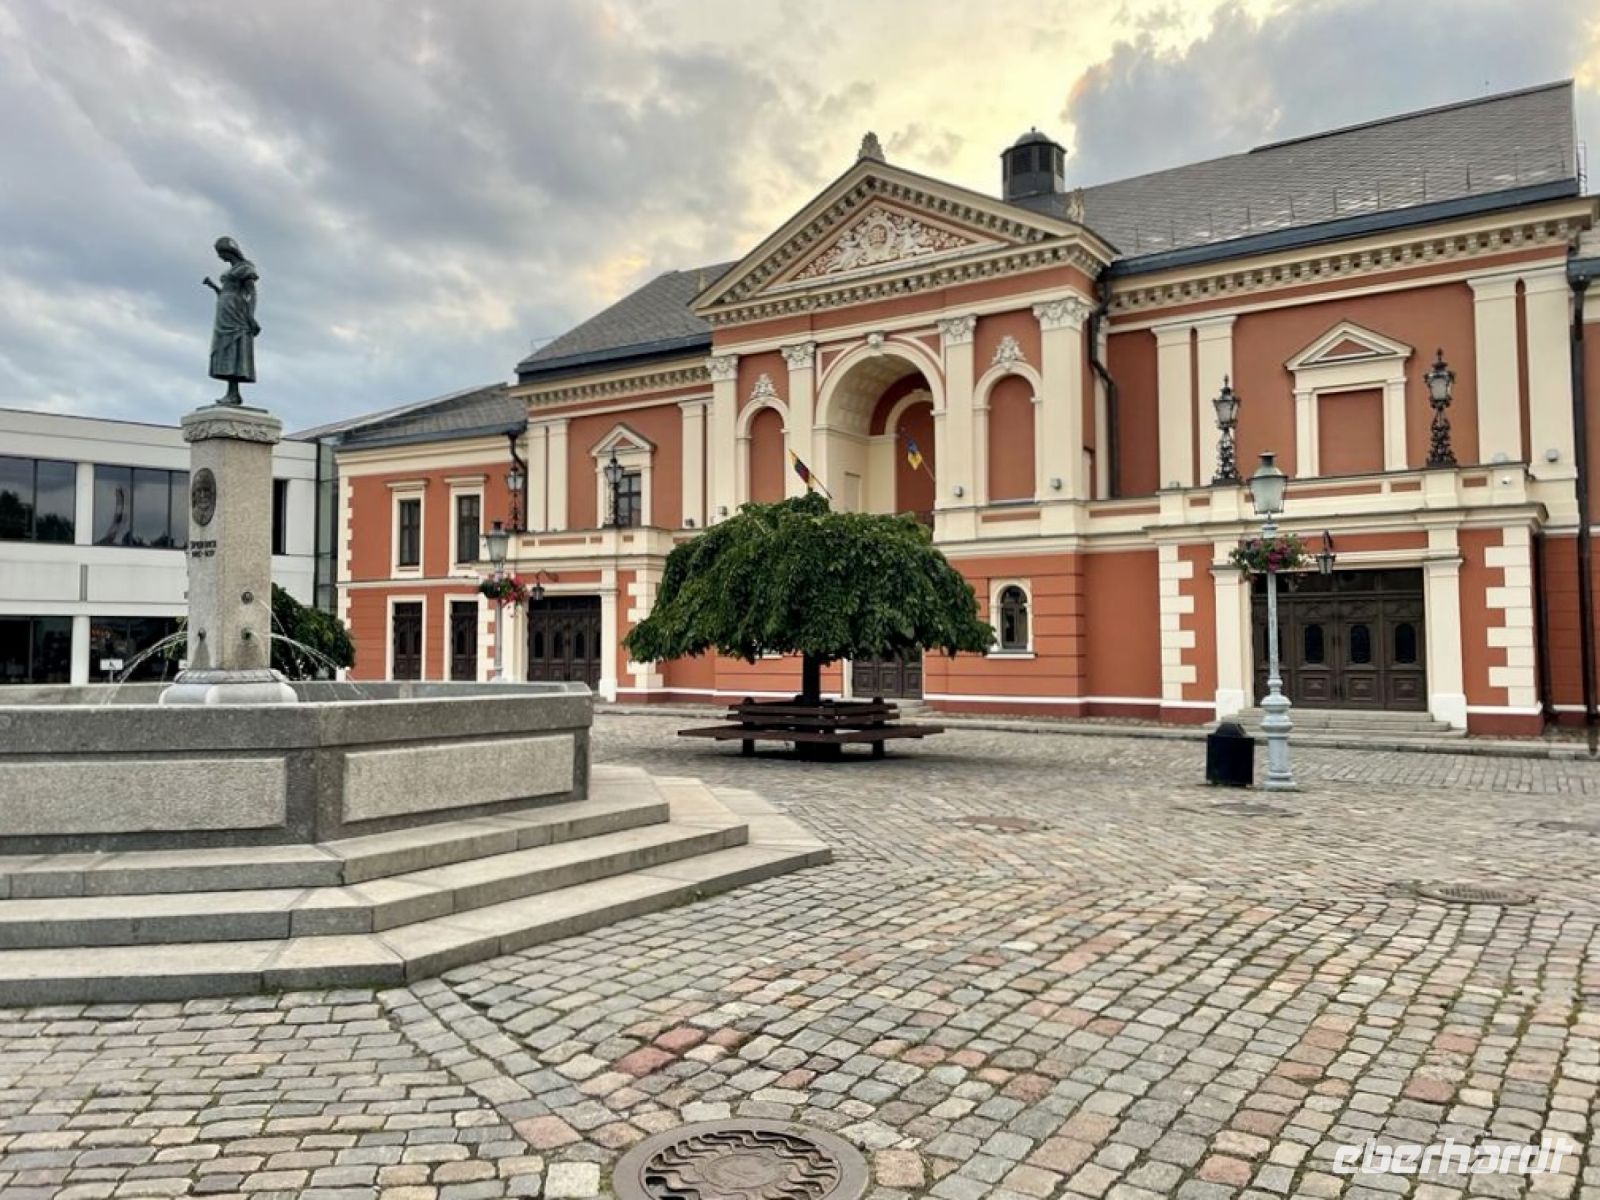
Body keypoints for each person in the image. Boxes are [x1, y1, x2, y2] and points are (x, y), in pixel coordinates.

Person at [202, 237, 259, 404]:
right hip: (224, 312)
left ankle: (234, 393)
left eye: (221, 253)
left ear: (229, 251)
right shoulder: (231, 270)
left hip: (237, 311)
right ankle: (231, 392)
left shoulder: (245, 268)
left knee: (234, 348)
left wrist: (250, 316)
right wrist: (213, 287)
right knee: (223, 350)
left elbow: (252, 293)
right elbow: (224, 293)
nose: (220, 257)